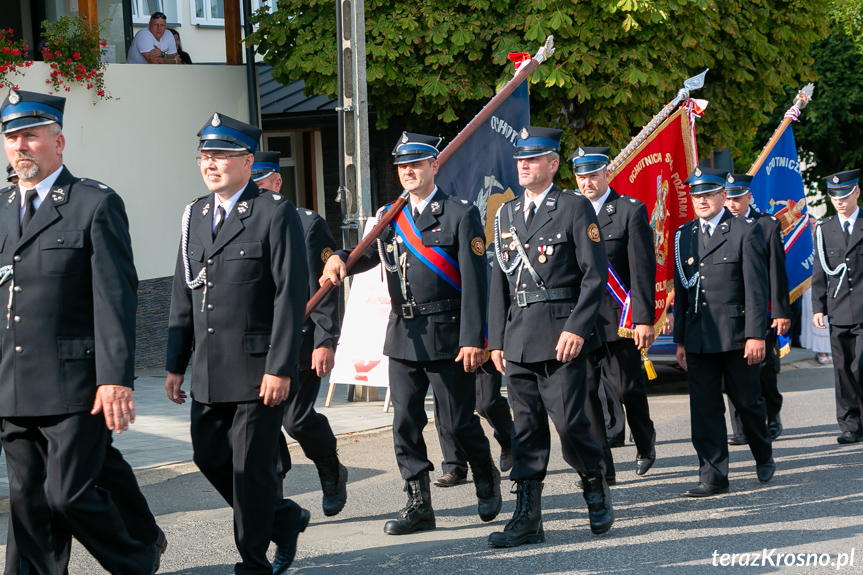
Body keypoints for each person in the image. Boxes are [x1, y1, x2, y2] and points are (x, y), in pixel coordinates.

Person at [0, 89, 160, 573]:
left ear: (59, 141)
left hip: (75, 383)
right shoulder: (3, 206)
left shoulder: (93, 203)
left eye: (30, 135)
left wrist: (116, 377)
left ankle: (136, 560)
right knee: (27, 502)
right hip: (12, 381)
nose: (20, 147)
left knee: (67, 494)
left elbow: (115, 297)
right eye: (11, 138)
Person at [321, 132, 502, 536]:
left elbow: (476, 282)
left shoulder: (459, 213)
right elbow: (367, 253)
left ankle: (485, 472)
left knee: (457, 421)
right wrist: (339, 258)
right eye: (402, 165)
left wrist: (475, 338)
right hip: (403, 333)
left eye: (416, 164)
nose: (408, 171)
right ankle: (419, 503)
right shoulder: (391, 215)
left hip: (448, 334)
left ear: (434, 166)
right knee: (404, 422)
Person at [164, 113, 310, 574]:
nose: (211, 164)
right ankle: (283, 517)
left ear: (248, 161)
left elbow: (291, 294)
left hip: (256, 368)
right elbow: (183, 291)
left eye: (222, 156)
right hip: (208, 368)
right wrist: (174, 363)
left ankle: (253, 563)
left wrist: (281, 367)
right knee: (208, 455)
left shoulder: (273, 212)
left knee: (249, 473)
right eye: (205, 156)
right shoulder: (195, 215)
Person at [487, 126, 614, 547]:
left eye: (533, 159)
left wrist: (577, 328)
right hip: (520, 335)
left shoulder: (574, 207)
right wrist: (496, 340)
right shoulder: (505, 213)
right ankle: (528, 517)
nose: (523, 165)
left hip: (563, 334)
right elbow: (499, 282)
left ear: (553, 164)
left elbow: (595, 278)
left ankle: (593, 482)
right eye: (520, 159)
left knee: (571, 423)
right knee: (525, 428)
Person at [252, 151, 349, 516]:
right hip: (257, 343)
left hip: (299, 341)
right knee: (260, 424)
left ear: (277, 183)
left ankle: (330, 468)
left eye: (261, 183)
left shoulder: (306, 224)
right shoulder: (237, 224)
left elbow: (325, 284)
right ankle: (272, 501)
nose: (254, 190)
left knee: (294, 418)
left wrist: (325, 340)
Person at [673, 167, 775, 497]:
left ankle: (763, 452)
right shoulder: (683, 234)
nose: (702, 200)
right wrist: (679, 341)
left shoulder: (745, 231)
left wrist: (756, 335)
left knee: (747, 403)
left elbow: (757, 289)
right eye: (697, 195)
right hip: (699, 335)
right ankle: (713, 475)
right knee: (704, 408)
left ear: (722, 196)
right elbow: (682, 291)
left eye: (709, 194)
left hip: (736, 335)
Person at [572, 146, 658, 480]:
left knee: (627, 389)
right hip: (582, 320)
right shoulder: (569, 210)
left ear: (607, 173)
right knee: (589, 393)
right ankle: (602, 467)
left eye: (593, 174)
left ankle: (645, 440)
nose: (587, 182)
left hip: (619, 318)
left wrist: (643, 318)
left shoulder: (628, 211)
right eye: (581, 176)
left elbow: (642, 269)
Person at [722, 173, 791, 444]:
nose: (731, 203)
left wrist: (781, 312)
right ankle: (740, 428)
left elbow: (777, 271)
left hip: (761, 309)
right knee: (732, 371)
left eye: (737, 198)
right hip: (729, 310)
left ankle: (772, 414)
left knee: (762, 369)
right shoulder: (720, 226)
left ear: (749, 197)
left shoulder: (767, 225)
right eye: (727, 198)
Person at [812, 169, 863, 444]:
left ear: (856, 192)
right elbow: (820, 271)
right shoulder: (824, 228)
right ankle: (850, 425)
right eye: (834, 196)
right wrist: (818, 307)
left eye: (844, 194)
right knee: (842, 369)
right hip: (839, 309)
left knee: (861, 366)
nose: (839, 201)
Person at [432, 359, 514, 487]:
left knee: (487, 403)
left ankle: (509, 439)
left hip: (481, 348)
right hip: (447, 351)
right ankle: (454, 467)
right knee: (447, 407)